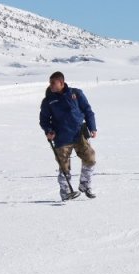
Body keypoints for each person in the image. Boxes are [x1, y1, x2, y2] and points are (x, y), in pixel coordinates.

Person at [39, 71, 98, 199]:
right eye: (50, 83)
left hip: (79, 134)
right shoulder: (48, 100)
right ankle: (66, 192)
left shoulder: (76, 94)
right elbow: (44, 120)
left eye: (53, 83)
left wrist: (92, 127)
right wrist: (49, 131)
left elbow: (88, 111)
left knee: (90, 159)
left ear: (61, 83)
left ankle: (85, 184)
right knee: (64, 166)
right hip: (61, 136)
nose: (50, 85)